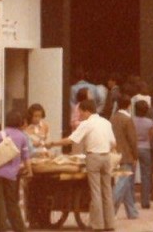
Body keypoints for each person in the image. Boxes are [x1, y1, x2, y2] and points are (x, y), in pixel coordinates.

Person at [47, 98, 116, 232]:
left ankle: (98, 225)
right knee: (107, 191)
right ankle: (110, 224)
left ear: (87, 111)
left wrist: (52, 143)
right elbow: (113, 143)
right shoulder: (106, 122)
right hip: (106, 157)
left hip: (94, 157)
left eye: (80, 112)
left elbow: (70, 140)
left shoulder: (87, 124)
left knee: (95, 192)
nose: (79, 115)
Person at [0, 110, 32, 232]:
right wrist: (29, 171)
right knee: (12, 202)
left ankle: (1, 228)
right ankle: (19, 228)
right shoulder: (22, 136)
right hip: (12, 175)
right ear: (19, 122)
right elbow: (26, 156)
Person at [110, 94, 139, 220]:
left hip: (115, 153)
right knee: (122, 183)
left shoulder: (112, 118)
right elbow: (132, 140)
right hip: (127, 155)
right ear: (128, 106)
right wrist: (135, 155)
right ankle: (110, 208)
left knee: (126, 184)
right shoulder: (128, 120)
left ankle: (132, 212)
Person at [132, 99, 153, 209]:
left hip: (134, 147)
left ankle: (130, 200)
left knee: (131, 174)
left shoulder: (131, 120)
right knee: (146, 175)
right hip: (145, 147)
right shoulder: (149, 122)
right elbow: (150, 135)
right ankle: (145, 201)